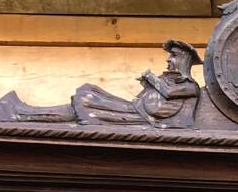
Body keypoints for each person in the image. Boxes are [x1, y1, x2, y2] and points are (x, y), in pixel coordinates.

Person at [73, 39, 201, 129]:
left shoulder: (191, 86)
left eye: (173, 55)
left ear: (184, 59)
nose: (168, 59)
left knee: (90, 101)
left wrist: (151, 78)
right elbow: (160, 97)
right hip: (137, 111)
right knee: (91, 94)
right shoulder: (170, 80)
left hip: (140, 117)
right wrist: (147, 85)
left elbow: (168, 92)